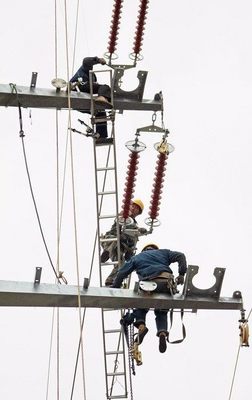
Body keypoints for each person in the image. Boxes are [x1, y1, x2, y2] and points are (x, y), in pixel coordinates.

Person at [112, 243, 187, 353]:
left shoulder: (137, 258)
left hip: (148, 285)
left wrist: (115, 288)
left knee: (141, 306)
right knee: (162, 311)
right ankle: (162, 332)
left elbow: (122, 273)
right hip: (166, 284)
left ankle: (141, 325)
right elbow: (181, 256)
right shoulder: (164, 253)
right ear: (156, 249)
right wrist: (181, 274)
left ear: (144, 251)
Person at [101, 199, 148, 286]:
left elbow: (132, 237)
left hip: (119, 248)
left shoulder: (134, 225)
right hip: (110, 240)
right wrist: (125, 214)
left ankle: (110, 280)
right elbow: (122, 223)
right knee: (117, 239)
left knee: (121, 265)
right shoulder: (124, 216)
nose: (133, 209)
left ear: (139, 212)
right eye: (133, 206)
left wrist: (130, 255)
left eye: (136, 208)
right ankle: (106, 252)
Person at [70, 56, 113, 145]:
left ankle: (101, 137)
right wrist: (98, 60)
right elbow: (86, 61)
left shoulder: (91, 77)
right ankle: (102, 97)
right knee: (104, 87)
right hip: (78, 88)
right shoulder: (85, 70)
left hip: (78, 104)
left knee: (100, 112)